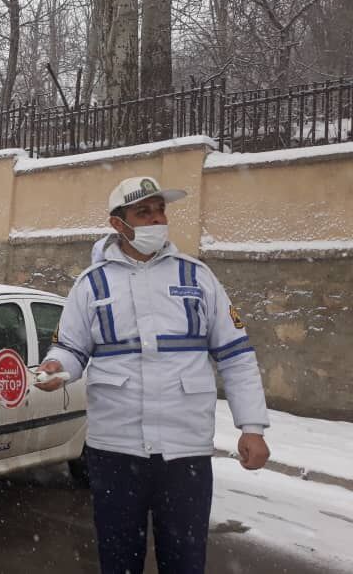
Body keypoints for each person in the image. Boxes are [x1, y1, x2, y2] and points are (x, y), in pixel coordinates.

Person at [36, 176, 271, 574]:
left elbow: (236, 355)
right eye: (143, 212)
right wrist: (58, 367)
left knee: (184, 561)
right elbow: (71, 348)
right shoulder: (91, 284)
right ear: (118, 224)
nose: (156, 218)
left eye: (160, 209)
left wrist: (252, 426)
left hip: (185, 451)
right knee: (118, 559)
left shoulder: (197, 277)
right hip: (114, 449)